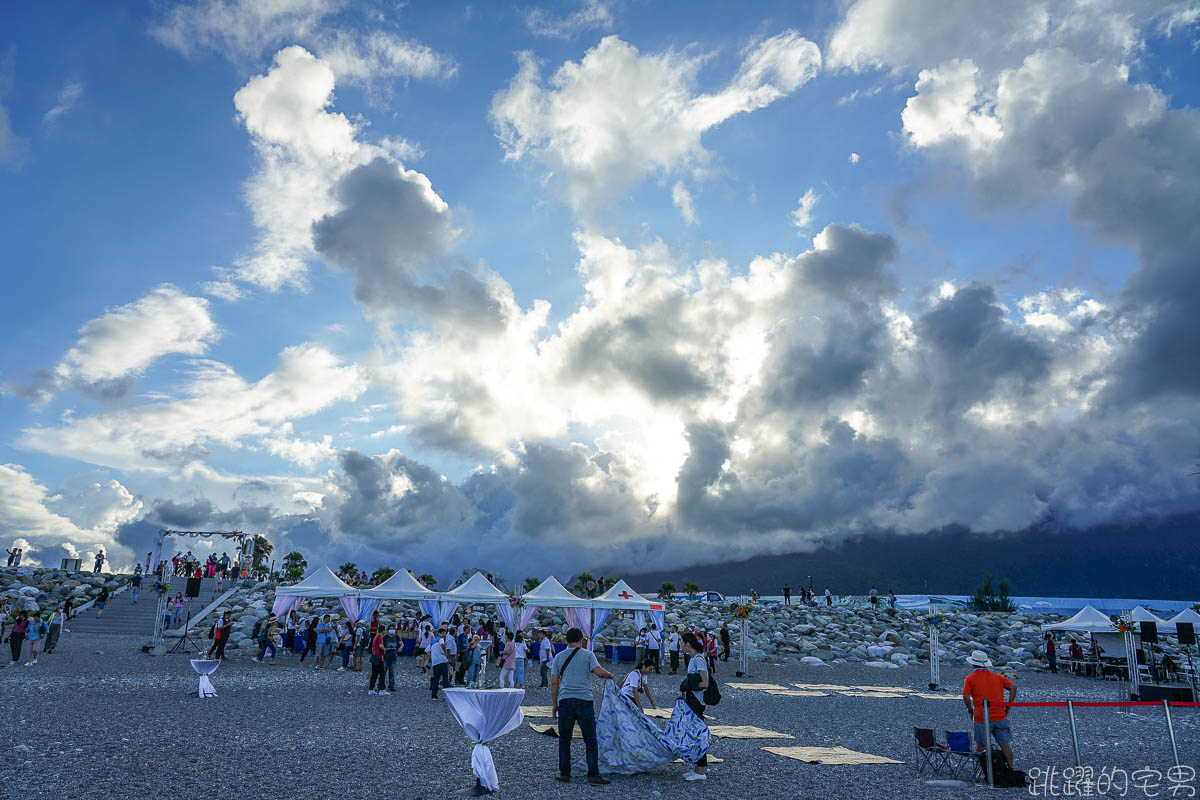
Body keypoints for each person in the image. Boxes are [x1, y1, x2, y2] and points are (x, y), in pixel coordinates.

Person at [551, 627, 614, 786]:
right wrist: (610, 675)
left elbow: (554, 682)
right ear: (581, 641)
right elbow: (599, 673)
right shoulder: (588, 654)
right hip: (584, 700)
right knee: (590, 740)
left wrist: (554, 704)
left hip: (565, 701)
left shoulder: (559, 657)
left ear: (566, 641)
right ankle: (593, 775)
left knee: (565, 740)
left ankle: (565, 774)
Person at [962, 650, 1017, 769]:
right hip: (1000, 714)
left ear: (973, 664)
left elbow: (966, 696)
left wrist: (970, 709)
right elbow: (1013, 687)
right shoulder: (998, 677)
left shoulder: (970, 678)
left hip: (981, 716)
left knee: (981, 745)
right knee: (1004, 745)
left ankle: (987, 771)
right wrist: (1009, 705)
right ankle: (1010, 769)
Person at [678, 632, 711, 781]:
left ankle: (700, 771)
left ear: (688, 644)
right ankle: (697, 769)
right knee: (693, 733)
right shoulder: (692, 659)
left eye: (681, 642)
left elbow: (705, 683)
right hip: (691, 699)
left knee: (698, 734)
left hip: (697, 702)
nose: (680, 645)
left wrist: (690, 687)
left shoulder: (699, 659)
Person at [429, 625, 455, 699]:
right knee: (445, 678)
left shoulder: (432, 642)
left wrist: (432, 656)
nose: (444, 635)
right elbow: (443, 645)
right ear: (439, 634)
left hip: (435, 662)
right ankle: (445, 696)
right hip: (442, 661)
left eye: (445, 633)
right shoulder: (441, 639)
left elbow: (427, 650)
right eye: (442, 633)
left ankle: (434, 695)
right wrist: (445, 653)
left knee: (436, 679)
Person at [368, 626, 388, 695]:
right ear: (383, 631)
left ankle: (371, 689)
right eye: (385, 630)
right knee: (382, 674)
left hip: (374, 657)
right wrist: (384, 650)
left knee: (374, 674)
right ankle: (382, 690)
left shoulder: (375, 637)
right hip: (379, 657)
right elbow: (380, 646)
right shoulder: (379, 637)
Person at [383, 625, 400, 690]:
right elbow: (381, 644)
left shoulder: (397, 637)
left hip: (393, 657)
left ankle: (391, 686)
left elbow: (401, 643)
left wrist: (401, 647)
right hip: (385, 657)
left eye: (393, 628)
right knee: (383, 672)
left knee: (392, 673)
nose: (392, 630)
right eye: (390, 628)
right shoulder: (385, 637)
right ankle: (381, 685)